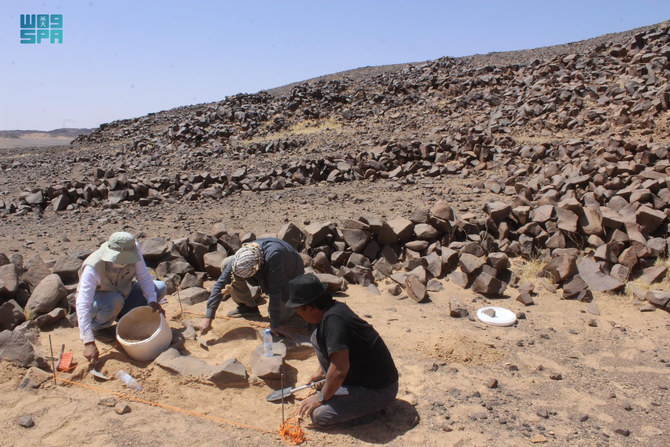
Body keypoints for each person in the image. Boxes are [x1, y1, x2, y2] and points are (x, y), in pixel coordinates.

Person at [286, 274, 399, 428]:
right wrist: (321, 373)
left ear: (311, 308)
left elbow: (339, 369)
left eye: (299, 310)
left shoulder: (335, 322)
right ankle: (336, 387)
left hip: (380, 390)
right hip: (362, 379)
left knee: (320, 416)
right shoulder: (333, 310)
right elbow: (334, 354)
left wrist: (320, 398)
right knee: (316, 337)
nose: (298, 313)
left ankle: (376, 411)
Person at [75, 232, 166, 363]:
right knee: (114, 301)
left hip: (124, 293)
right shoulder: (93, 266)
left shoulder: (134, 249)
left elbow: (144, 276)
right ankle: (99, 328)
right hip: (101, 302)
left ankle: (121, 315)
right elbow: (83, 303)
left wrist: (152, 301)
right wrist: (88, 341)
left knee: (160, 288)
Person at [201, 238, 304, 339]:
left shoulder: (274, 256)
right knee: (226, 264)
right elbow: (221, 284)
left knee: (281, 317)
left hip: (289, 272)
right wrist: (208, 317)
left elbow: (275, 291)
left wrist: (274, 325)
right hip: (264, 268)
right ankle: (248, 307)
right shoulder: (243, 256)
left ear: (257, 268)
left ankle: (295, 305)